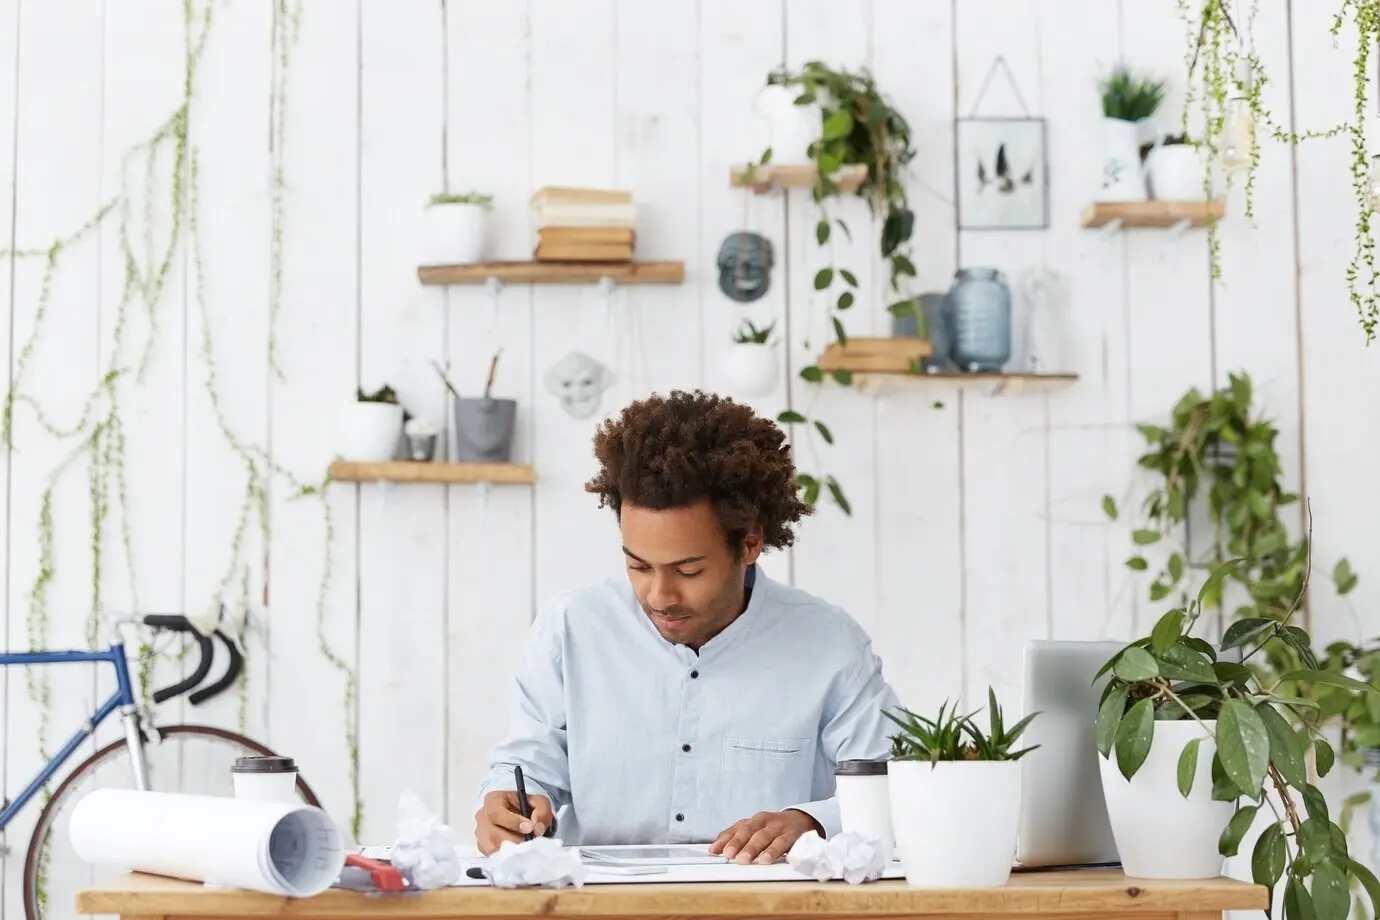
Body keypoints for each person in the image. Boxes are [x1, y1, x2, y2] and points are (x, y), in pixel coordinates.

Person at [473, 390, 901, 864]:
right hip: (601, 900)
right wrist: (508, 803)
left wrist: (812, 821)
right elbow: (527, 766)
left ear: (750, 544)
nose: (660, 596)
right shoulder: (572, 628)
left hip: (765, 901)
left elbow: (893, 787)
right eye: (638, 566)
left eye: (688, 571)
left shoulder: (829, 645)